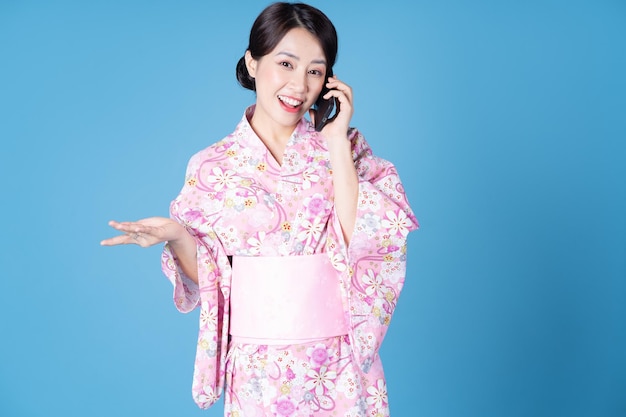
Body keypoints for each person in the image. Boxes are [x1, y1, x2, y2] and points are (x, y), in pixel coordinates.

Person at [101, 2, 418, 416]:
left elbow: (362, 241)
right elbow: (213, 275)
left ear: (329, 81)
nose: (299, 85)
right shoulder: (213, 166)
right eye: (285, 63)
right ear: (253, 62)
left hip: (338, 366)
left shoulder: (345, 151)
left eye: (315, 71)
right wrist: (178, 236)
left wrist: (337, 140)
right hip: (260, 371)